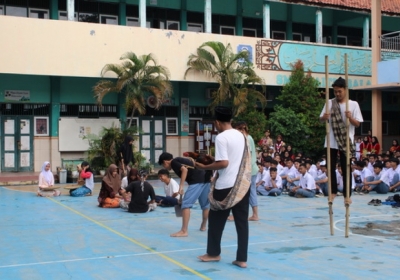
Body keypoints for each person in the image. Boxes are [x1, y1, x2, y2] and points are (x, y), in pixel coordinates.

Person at [196, 106, 251, 269]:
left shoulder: (221, 137)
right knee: (242, 223)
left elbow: (224, 163)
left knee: (215, 221)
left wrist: (203, 167)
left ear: (217, 122)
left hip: (225, 185)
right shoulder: (242, 135)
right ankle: (242, 259)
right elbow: (233, 159)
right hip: (242, 185)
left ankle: (213, 253)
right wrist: (213, 159)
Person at [319, 77, 363, 204]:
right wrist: (324, 117)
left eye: (339, 91)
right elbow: (321, 119)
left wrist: (350, 118)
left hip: (345, 140)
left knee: (346, 167)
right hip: (332, 140)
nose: (337, 94)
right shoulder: (330, 103)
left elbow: (358, 124)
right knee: (330, 166)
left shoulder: (353, 104)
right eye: (335, 91)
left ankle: (347, 195)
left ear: (345, 90)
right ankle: (332, 192)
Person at [158, 152, 210, 237]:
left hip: (196, 181)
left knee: (185, 204)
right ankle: (203, 226)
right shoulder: (180, 160)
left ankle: (184, 231)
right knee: (205, 205)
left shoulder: (174, 162)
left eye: (163, 165)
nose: (165, 168)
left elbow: (184, 170)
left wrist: (181, 186)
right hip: (205, 179)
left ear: (165, 162)